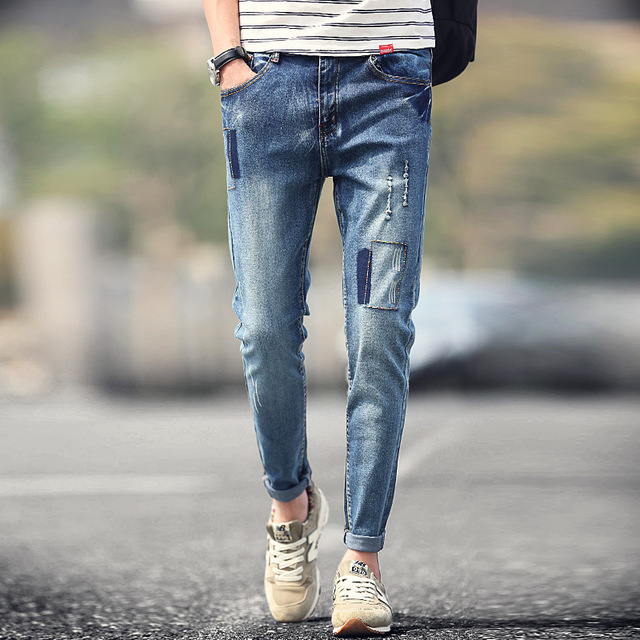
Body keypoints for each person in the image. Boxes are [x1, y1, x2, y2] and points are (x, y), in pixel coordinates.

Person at [202, 0, 435, 635]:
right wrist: (228, 58)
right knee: (263, 326)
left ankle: (362, 559)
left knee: (380, 327)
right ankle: (290, 507)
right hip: (266, 78)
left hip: (388, 78)